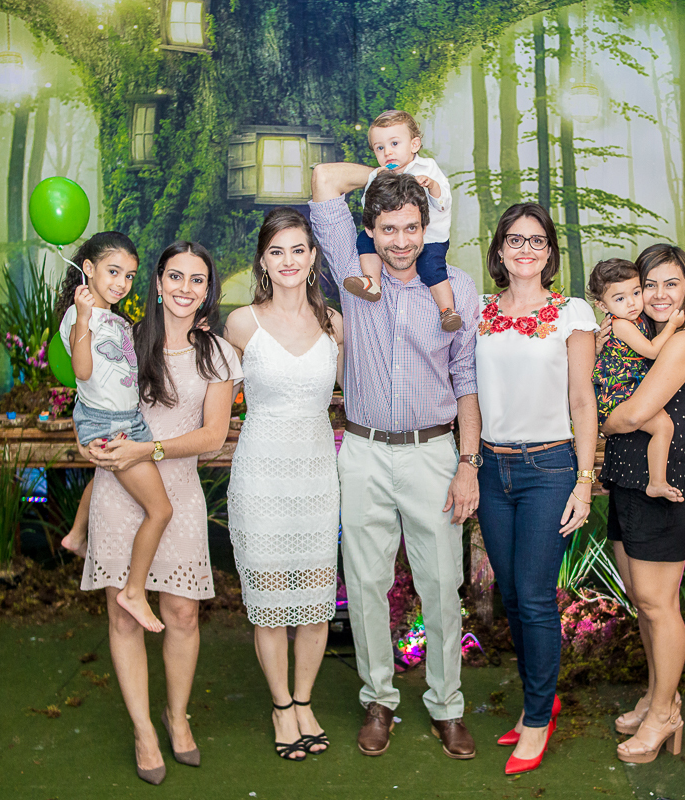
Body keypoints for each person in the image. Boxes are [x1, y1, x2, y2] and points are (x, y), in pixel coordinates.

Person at [309, 163, 480, 760]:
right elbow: (324, 179)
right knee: (366, 584)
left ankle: (447, 706)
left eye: (411, 227)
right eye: (388, 228)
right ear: (369, 231)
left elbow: (466, 379)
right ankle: (378, 700)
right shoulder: (353, 272)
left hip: (434, 453)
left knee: (442, 587)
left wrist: (467, 463)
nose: (401, 241)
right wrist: (394, 171)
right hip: (362, 451)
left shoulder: (457, 287)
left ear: (426, 227)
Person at [82, 241, 242, 784]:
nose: (184, 289)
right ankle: (143, 730)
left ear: (208, 290)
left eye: (197, 280)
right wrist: (91, 442)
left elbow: (213, 437)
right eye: (175, 276)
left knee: (182, 614)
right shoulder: (123, 339)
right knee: (124, 615)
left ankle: (177, 716)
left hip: (178, 496)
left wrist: (146, 450)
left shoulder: (217, 353)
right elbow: (91, 399)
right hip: (119, 491)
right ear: (156, 282)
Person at [474, 203, 598, 775]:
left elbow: (582, 401)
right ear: (500, 249)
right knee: (513, 598)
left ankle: (538, 718)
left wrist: (584, 481)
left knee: (534, 595)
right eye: (515, 239)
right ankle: (535, 702)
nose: (526, 249)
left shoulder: (572, 313)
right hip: (491, 470)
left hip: (548, 468)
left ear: (550, 252)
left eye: (537, 240)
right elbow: (468, 392)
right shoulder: (479, 313)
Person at [223, 208, 345, 761]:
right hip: (261, 476)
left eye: (298, 249)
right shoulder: (241, 324)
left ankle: (304, 701)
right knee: (269, 600)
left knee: (317, 604)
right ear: (263, 261)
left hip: (317, 475)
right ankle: (280, 707)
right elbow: (211, 394)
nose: (289, 260)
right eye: (277, 251)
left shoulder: (335, 324)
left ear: (313, 257)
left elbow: (358, 392)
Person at [597, 244, 685, 765]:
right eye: (650, 284)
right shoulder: (631, 332)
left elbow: (630, 415)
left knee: (658, 606)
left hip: (665, 492)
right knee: (643, 603)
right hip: (629, 484)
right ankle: (656, 695)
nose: (660, 294)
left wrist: (595, 417)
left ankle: (665, 714)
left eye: (672, 283)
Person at [56, 232, 171, 634]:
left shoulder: (117, 319)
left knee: (106, 474)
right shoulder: (79, 316)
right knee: (161, 510)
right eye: (113, 272)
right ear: (88, 269)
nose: (122, 283)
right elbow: (83, 371)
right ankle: (134, 592)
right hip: (108, 423)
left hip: (127, 420)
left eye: (129, 275)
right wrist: (83, 318)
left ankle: (76, 535)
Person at [340, 110, 461, 332]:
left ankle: (447, 311)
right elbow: (370, 206)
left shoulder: (428, 168)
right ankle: (372, 282)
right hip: (394, 235)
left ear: (414, 145)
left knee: (431, 268)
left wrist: (432, 185)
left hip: (431, 239)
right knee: (365, 241)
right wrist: (379, 185)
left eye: (394, 143)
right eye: (379, 148)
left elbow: (443, 203)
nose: (387, 152)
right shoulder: (377, 175)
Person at [588, 257, 685, 503]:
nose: (632, 302)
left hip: (627, 388)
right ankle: (657, 482)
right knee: (663, 426)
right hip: (617, 393)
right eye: (620, 298)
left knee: (656, 427)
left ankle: (614, 478)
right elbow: (651, 351)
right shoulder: (621, 324)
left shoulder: (635, 319)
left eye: (636, 292)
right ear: (602, 305)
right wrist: (672, 326)